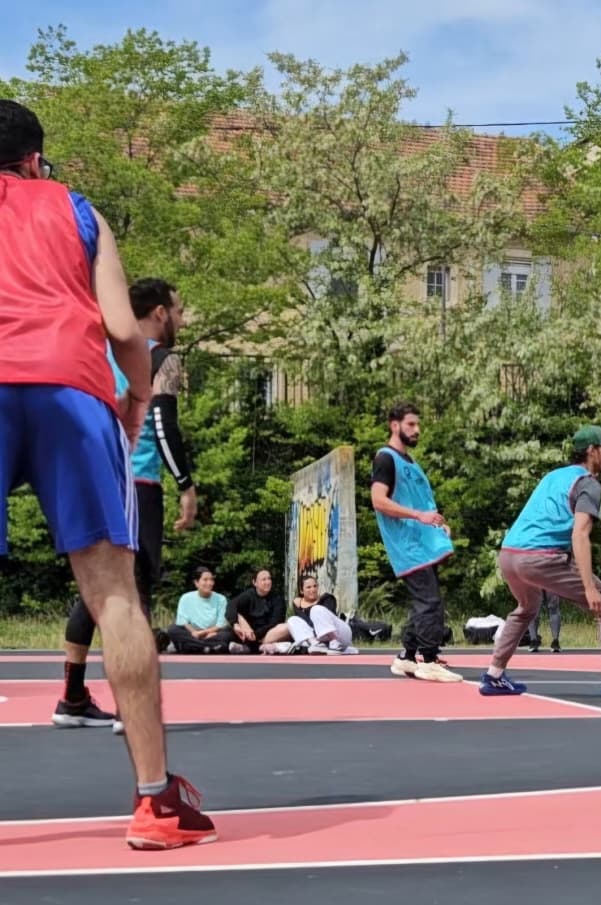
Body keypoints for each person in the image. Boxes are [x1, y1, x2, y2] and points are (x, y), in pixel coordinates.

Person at [0, 98, 214, 847]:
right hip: (72, 387)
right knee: (115, 593)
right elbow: (125, 329)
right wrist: (137, 400)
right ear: (35, 159)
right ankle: (155, 803)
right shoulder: (77, 209)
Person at [57, 276, 199, 726]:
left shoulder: (100, 352)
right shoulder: (161, 359)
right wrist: (186, 484)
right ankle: (129, 706)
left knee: (98, 587)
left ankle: (73, 697)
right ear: (159, 312)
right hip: (137, 483)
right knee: (136, 590)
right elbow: (161, 425)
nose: (180, 318)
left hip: (92, 476)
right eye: (177, 310)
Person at [483, 425, 601, 702]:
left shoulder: (553, 476)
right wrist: (589, 588)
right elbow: (580, 534)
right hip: (539, 556)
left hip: (509, 554)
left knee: (527, 608)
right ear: (591, 451)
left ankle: (494, 675)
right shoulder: (588, 483)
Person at [372, 402, 460, 682]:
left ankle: (407, 657)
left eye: (417, 424)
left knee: (426, 601)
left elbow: (422, 503)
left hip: (422, 542)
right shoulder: (385, 458)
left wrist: (437, 525)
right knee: (430, 602)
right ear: (394, 425)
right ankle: (429, 659)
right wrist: (418, 516)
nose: (417, 430)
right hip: (407, 544)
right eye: (411, 424)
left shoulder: (410, 462)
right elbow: (378, 500)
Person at [227, 569, 285, 654]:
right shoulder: (248, 595)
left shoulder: (277, 598)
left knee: (285, 627)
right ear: (255, 583)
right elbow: (231, 605)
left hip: (266, 634)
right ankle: (253, 647)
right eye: (264, 579)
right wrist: (235, 624)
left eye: (269, 579)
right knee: (237, 616)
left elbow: (275, 622)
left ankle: (250, 647)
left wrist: (256, 634)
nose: (268, 582)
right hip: (247, 633)